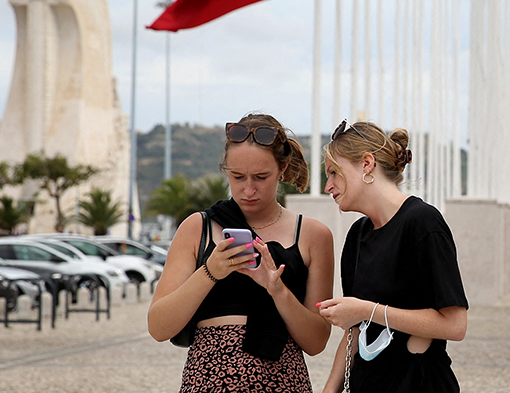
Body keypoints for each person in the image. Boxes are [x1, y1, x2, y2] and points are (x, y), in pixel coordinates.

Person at [148, 113, 334, 393]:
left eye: (261, 177)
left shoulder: (313, 235)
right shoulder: (197, 227)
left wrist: (278, 290)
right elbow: (159, 327)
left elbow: (316, 342)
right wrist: (211, 272)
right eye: (237, 176)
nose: (248, 189)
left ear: (282, 169)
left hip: (282, 381)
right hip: (209, 380)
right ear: (226, 170)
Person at [318, 120, 468, 393]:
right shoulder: (358, 235)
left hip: (421, 384)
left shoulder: (423, 222)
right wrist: (330, 390)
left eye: (334, 173)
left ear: (366, 164)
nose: (328, 186)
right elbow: (355, 330)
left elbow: (455, 325)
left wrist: (367, 310)